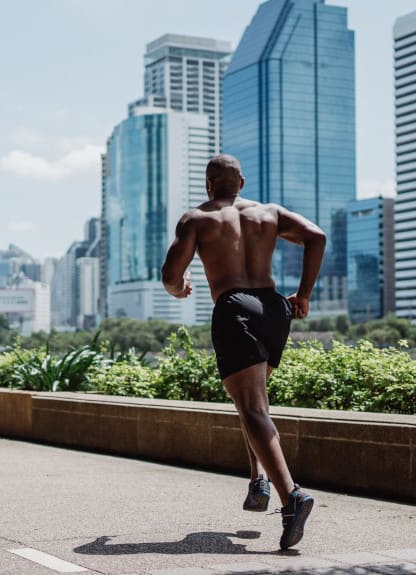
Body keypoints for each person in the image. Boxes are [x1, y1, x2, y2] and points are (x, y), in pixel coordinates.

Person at [161, 154, 326, 551]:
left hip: (236, 306)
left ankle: (292, 498)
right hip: (274, 308)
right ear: (242, 182)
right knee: (254, 404)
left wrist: (179, 288)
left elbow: (169, 275)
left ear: (209, 184)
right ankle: (258, 481)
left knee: (252, 408)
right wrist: (303, 295)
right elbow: (316, 237)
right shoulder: (268, 213)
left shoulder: (197, 219)